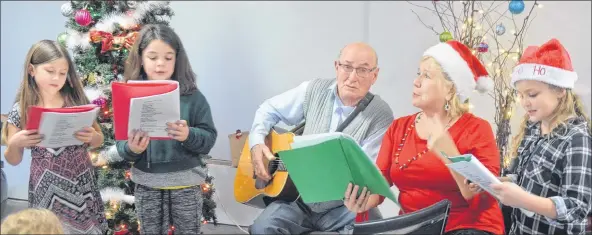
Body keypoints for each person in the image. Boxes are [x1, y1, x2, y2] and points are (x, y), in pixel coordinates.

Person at [344, 40, 505, 235]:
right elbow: (379, 185)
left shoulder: (477, 129)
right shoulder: (399, 128)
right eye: (418, 73)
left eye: (426, 76)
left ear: (450, 89)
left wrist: (449, 153)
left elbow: (483, 200)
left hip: (468, 227)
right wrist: (362, 201)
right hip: (416, 227)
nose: (416, 81)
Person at [248, 42, 394, 234]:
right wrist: (257, 143)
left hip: (344, 207)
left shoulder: (381, 115)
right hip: (298, 200)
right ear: (336, 66)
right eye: (347, 67)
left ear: (374, 75)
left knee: (371, 230)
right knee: (262, 229)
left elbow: (369, 172)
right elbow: (267, 110)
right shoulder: (313, 90)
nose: (352, 77)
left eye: (363, 70)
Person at [479, 38, 591, 234]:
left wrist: (523, 200)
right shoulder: (533, 129)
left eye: (532, 95)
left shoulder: (577, 139)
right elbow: (524, 179)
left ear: (560, 91)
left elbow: (576, 207)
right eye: (520, 95)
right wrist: (494, 183)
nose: (524, 102)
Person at [114, 24, 217, 235]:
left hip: (186, 182)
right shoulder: (129, 95)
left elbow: (209, 138)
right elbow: (121, 145)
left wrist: (189, 135)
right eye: (152, 57)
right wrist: (132, 148)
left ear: (177, 59)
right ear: (141, 58)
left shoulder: (193, 97)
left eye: (168, 58)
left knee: (188, 231)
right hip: (147, 181)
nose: (160, 64)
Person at [2, 40, 107, 234]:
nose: (57, 78)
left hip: (80, 181)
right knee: (49, 229)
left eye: (62, 72)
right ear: (32, 70)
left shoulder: (76, 101)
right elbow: (13, 159)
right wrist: (15, 143)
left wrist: (92, 137)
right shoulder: (22, 108)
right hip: (46, 184)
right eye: (50, 71)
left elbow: (99, 139)